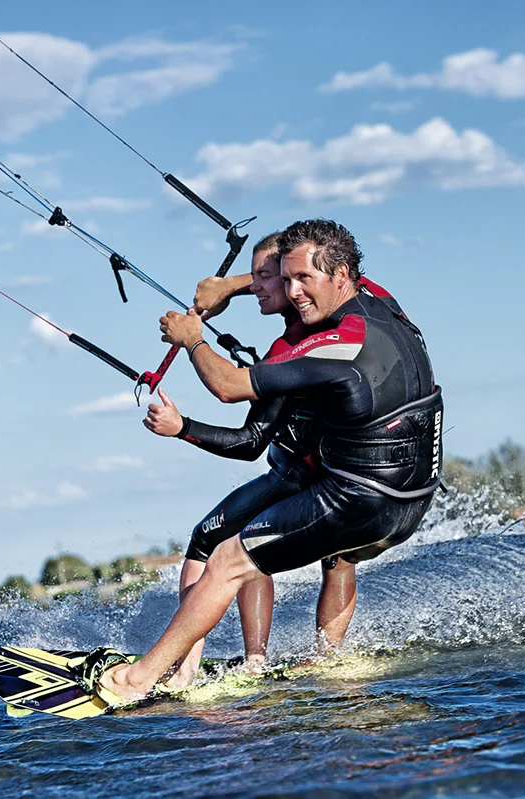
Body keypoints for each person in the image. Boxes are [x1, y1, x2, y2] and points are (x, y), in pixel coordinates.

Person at [93, 219, 443, 704]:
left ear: (340, 275)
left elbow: (230, 387)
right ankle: (328, 663)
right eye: (288, 278)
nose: (295, 291)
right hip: (411, 496)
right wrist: (232, 287)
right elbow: (290, 276)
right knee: (330, 554)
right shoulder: (380, 303)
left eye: (305, 280)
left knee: (229, 559)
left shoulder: (337, 343)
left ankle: (140, 677)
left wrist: (192, 338)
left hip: (361, 499)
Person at [143, 230, 310, 687]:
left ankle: (186, 669)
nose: (254, 285)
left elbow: (249, 441)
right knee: (251, 549)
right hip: (319, 469)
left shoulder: (291, 351)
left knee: (208, 540)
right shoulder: (313, 326)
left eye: (262, 277)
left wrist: (184, 429)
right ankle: (256, 663)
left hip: (299, 473)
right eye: (251, 276)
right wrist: (228, 287)